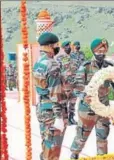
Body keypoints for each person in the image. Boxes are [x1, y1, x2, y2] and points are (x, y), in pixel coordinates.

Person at [70, 38, 114, 159]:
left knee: (103, 136)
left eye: (103, 50)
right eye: (98, 51)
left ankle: (102, 157)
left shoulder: (109, 67)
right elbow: (77, 87)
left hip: (103, 107)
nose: (101, 53)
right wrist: (83, 96)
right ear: (93, 51)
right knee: (82, 136)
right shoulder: (86, 67)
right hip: (87, 109)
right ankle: (74, 155)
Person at [33, 32, 67, 160]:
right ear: (49, 46)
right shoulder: (52, 64)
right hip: (52, 112)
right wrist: (59, 117)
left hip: (42, 108)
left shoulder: (38, 62)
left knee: (46, 144)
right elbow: (55, 93)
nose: (57, 48)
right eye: (55, 45)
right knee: (53, 150)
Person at [56, 40, 78, 125]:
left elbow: (77, 69)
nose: (69, 47)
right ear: (63, 48)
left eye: (70, 46)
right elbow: (57, 71)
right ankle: (65, 119)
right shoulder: (59, 58)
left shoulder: (74, 57)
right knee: (64, 103)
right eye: (67, 46)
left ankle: (71, 118)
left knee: (73, 102)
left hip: (74, 84)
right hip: (65, 85)